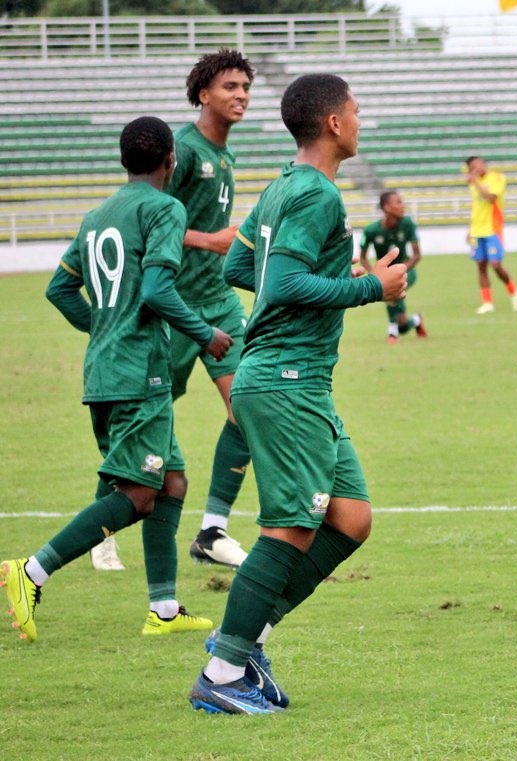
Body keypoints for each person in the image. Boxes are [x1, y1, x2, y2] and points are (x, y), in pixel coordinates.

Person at [188, 74, 407, 715]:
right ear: (335, 124)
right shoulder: (315, 195)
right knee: (290, 526)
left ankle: (246, 633)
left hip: (297, 379)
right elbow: (282, 285)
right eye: (357, 110)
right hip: (286, 379)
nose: (361, 120)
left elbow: (237, 268)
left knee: (350, 519)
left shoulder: (284, 185)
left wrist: (334, 276)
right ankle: (224, 672)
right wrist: (373, 289)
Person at [1, 117, 232, 642]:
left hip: (107, 370)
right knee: (139, 493)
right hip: (139, 374)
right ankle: (30, 571)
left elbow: (60, 290)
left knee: (171, 482)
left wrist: (103, 327)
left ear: (124, 161)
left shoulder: (96, 216)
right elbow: (156, 292)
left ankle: (164, 608)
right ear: (171, 160)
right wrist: (204, 333)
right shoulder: (165, 208)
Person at [89, 50, 255, 572]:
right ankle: (102, 524)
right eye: (230, 86)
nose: (241, 95)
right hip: (176, 308)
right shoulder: (180, 149)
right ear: (203, 94)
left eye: (246, 86)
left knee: (249, 405)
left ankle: (212, 530)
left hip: (220, 301)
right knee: (141, 424)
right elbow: (149, 219)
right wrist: (209, 241)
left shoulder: (225, 155)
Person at [359, 191, 427, 342]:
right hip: (384, 272)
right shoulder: (371, 230)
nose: (403, 206)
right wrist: (374, 273)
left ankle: (392, 332)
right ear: (387, 207)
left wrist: (402, 268)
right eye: (399, 202)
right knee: (403, 324)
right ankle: (415, 321)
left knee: (389, 287)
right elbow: (363, 257)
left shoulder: (408, 224)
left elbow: (417, 255)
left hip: (408, 269)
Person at [465, 155, 517, 314]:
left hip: (493, 229)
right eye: (473, 166)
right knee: (481, 266)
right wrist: (470, 230)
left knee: (496, 265)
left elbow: (491, 199)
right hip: (477, 231)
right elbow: (477, 207)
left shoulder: (496, 178)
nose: (478, 168)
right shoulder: (473, 184)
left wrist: (475, 181)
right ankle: (487, 303)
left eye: (480, 164)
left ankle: (513, 291)